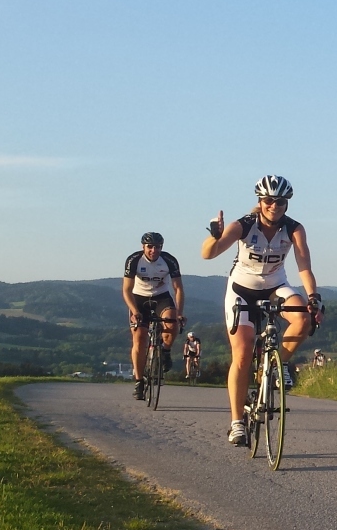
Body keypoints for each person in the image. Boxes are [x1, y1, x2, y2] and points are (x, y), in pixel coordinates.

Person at [200, 175, 321, 446]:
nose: (274, 206)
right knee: (242, 355)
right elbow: (209, 254)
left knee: (302, 319)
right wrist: (214, 236)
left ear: (286, 204)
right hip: (241, 289)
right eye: (269, 200)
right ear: (260, 201)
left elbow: (304, 266)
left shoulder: (294, 228)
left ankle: (279, 364)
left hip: (275, 286)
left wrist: (313, 296)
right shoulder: (244, 225)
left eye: (280, 201)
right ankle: (236, 423)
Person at [122, 231, 184, 400]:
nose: (153, 250)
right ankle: (139, 381)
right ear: (143, 247)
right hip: (139, 298)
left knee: (172, 322)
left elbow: (178, 288)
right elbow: (126, 290)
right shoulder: (134, 260)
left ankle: (165, 351)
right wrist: (135, 312)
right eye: (150, 247)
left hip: (161, 297)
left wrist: (179, 313)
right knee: (139, 337)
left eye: (157, 247)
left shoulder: (169, 260)